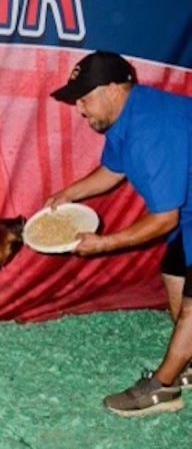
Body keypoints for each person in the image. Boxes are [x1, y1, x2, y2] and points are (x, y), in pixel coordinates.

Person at [48, 50, 192, 417]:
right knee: (174, 271)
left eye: (84, 98)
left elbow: (163, 220)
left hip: (181, 213)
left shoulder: (150, 129)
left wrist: (102, 244)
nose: (79, 109)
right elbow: (113, 170)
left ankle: (164, 387)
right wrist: (69, 193)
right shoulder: (124, 118)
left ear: (113, 89)